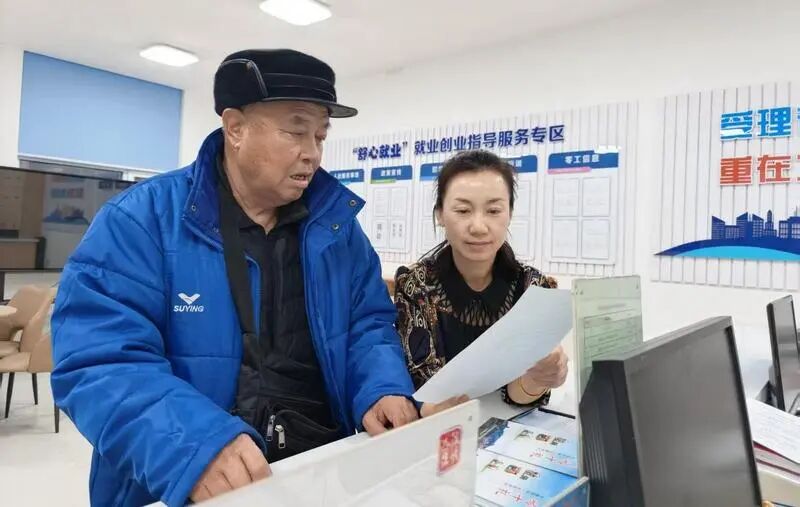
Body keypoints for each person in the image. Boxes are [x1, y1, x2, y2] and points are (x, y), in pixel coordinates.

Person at [50, 49, 418, 507]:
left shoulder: (338, 228)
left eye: (321, 135)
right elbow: (99, 362)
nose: (312, 153)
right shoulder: (140, 221)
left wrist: (381, 387)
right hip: (190, 482)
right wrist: (194, 445)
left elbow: (367, 323)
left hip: (321, 469)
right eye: (295, 131)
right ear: (235, 128)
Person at [394, 150, 569, 415]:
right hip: (441, 426)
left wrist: (540, 376)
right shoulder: (416, 285)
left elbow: (520, 394)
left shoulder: (532, 287)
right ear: (440, 214)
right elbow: (426, 388)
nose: (478, 226)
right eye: (463, 210)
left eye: (493, 210)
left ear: (510, 213)